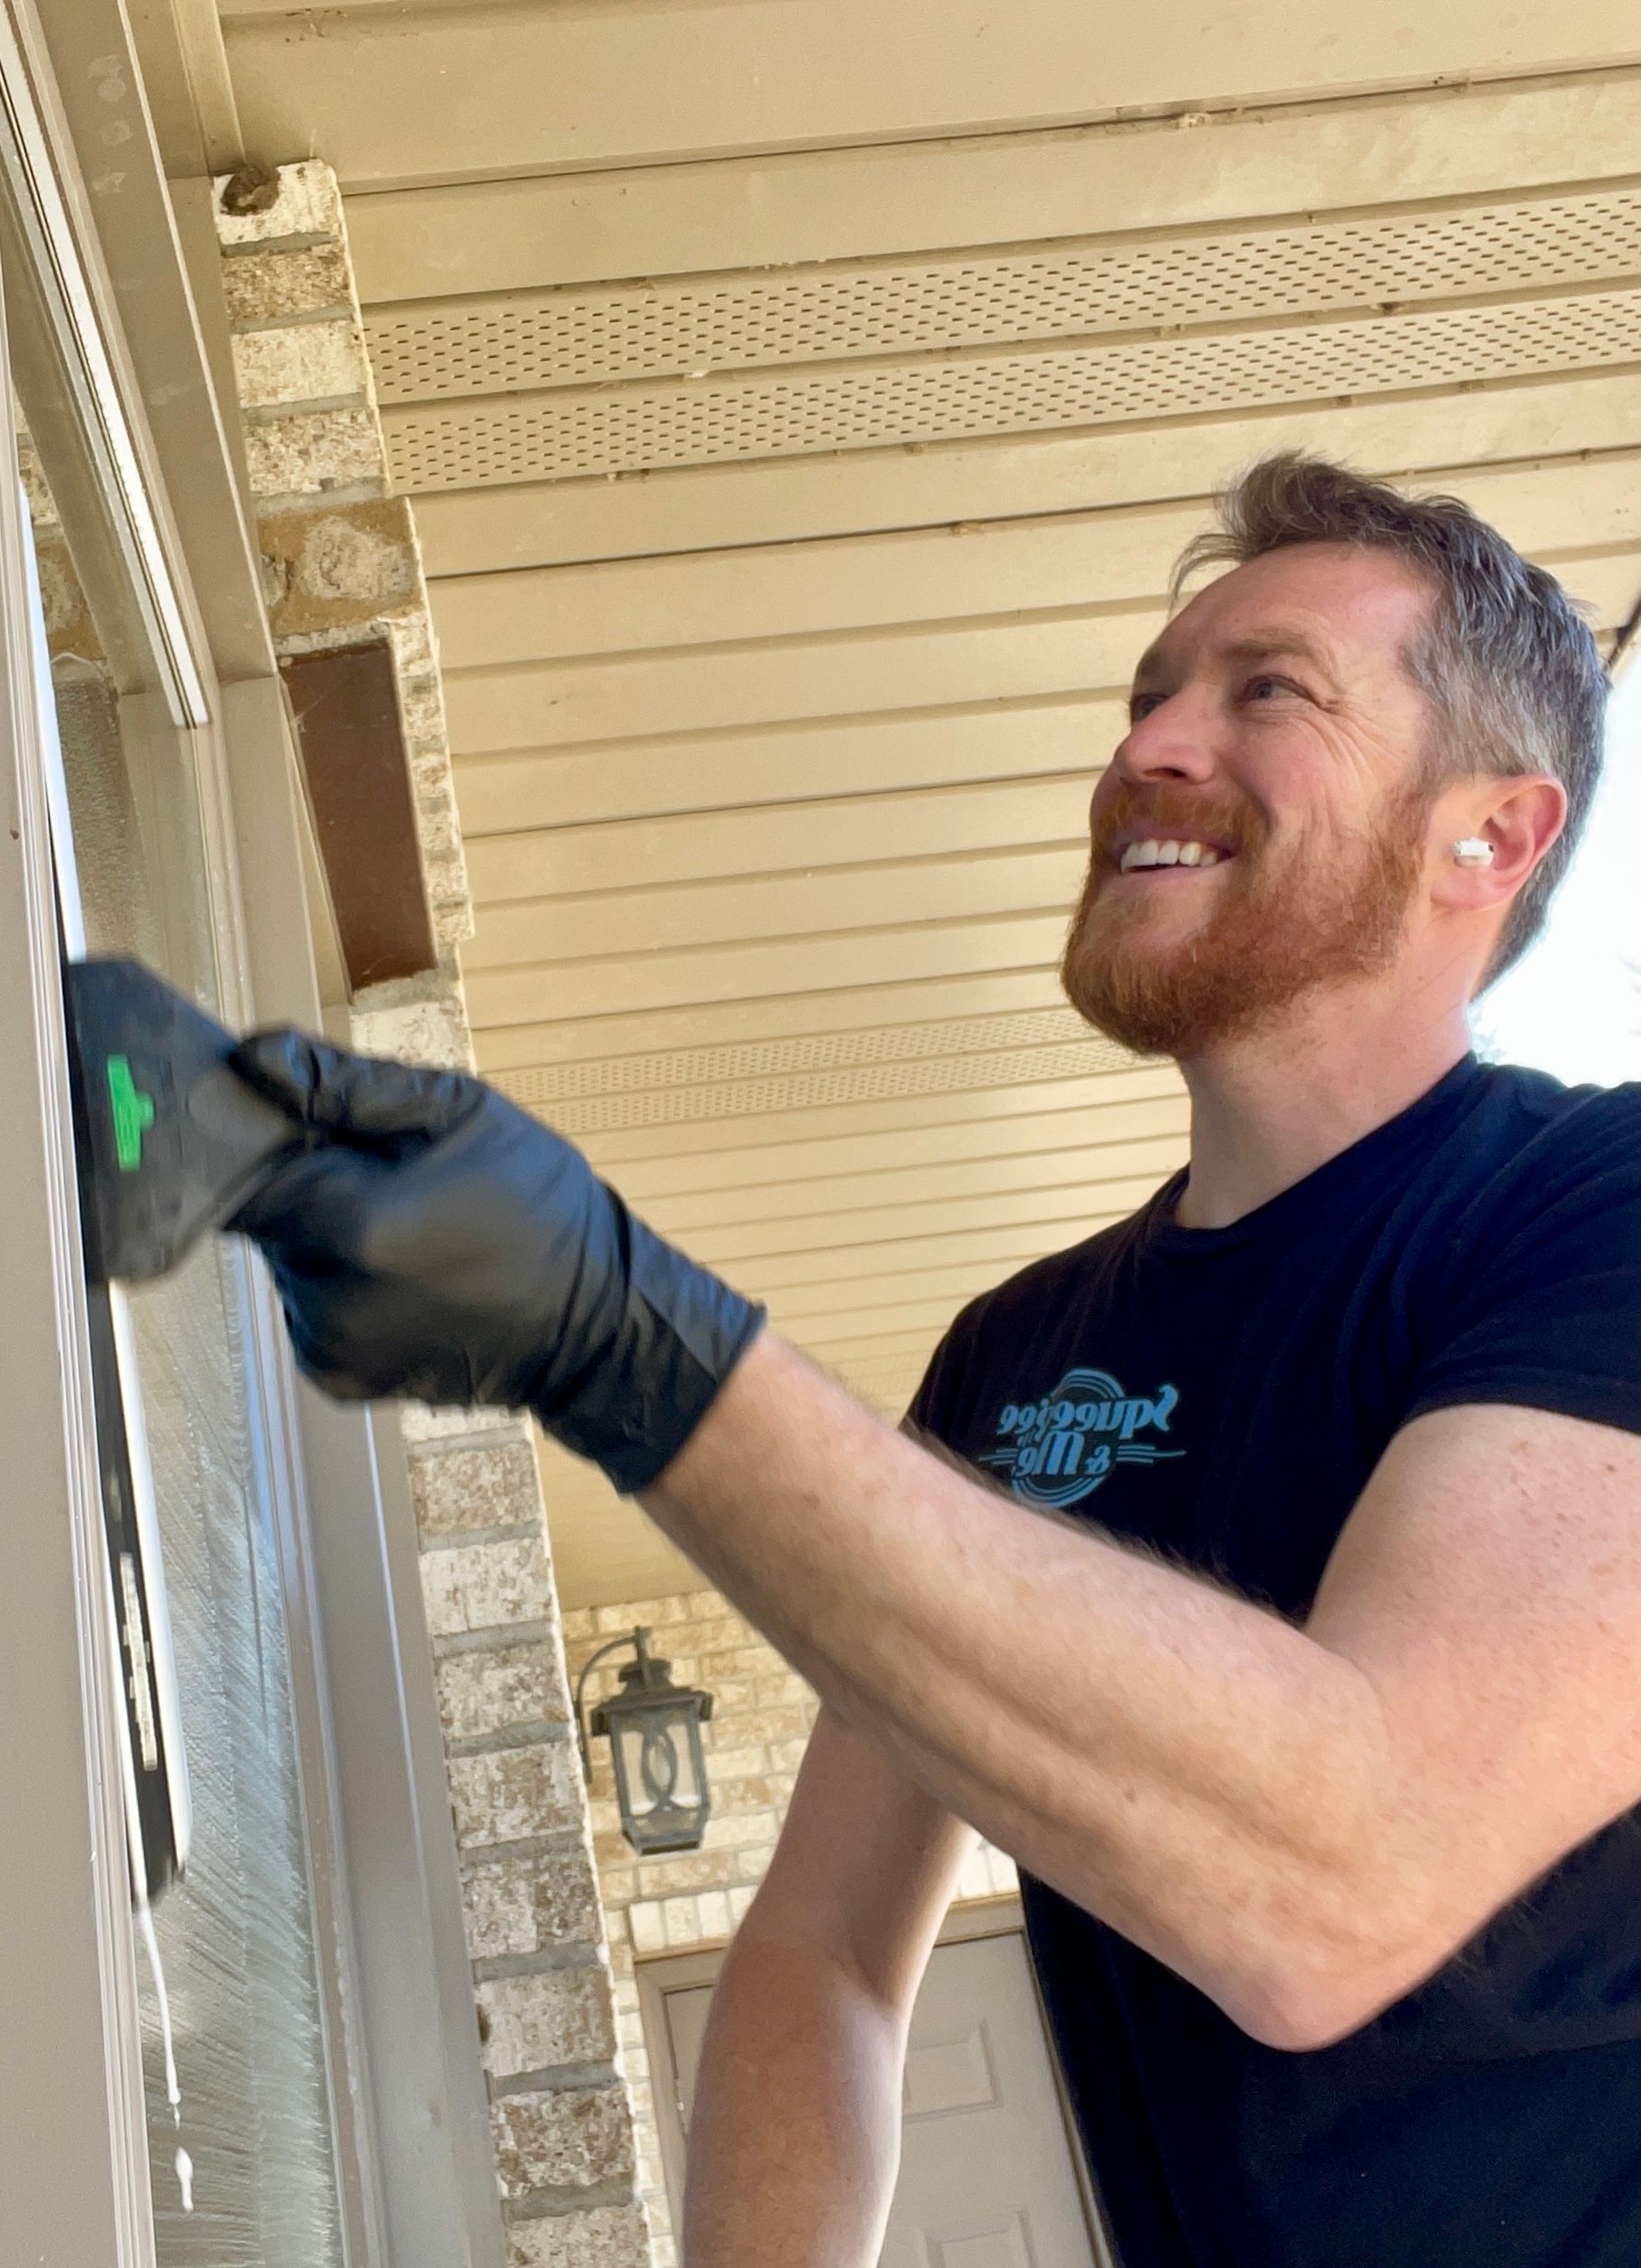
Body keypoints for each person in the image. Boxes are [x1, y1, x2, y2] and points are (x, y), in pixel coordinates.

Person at [230, 454, 1641, 2267]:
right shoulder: (1020, 1353)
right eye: (1148, 695)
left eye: (1264, 691)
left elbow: (1341, 1875)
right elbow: (824, 1940)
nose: (1152, 745)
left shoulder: (1588, 1208)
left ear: (1490, 836)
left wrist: (622, 1337)